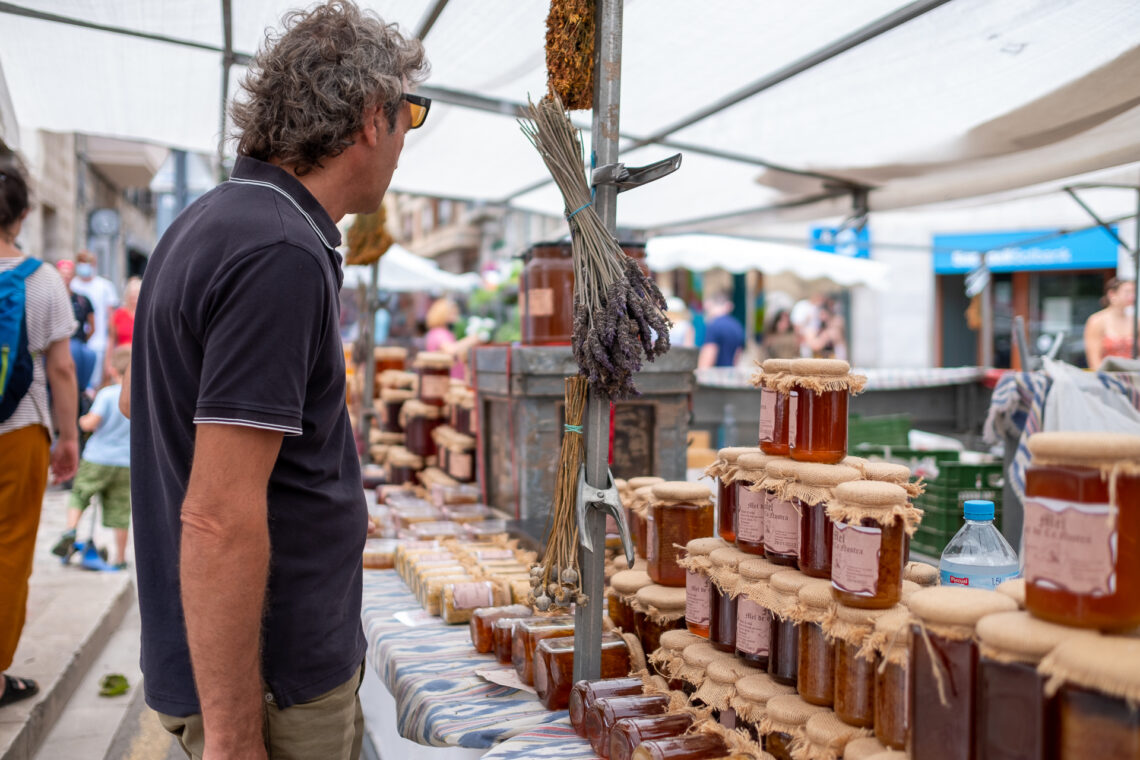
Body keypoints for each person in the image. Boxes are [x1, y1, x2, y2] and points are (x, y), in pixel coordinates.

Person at [130, 3, 427, 758]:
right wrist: (234, 740)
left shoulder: (214, 221)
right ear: (371, 118)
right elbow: (217, 518)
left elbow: (143, 403)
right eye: (410, 116)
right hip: (274, 684)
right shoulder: (279, 251)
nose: (404, 143)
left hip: (241, 668)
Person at [0, 158, 78, 708]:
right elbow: (62, 369)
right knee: (8, 552)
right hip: (19, 431)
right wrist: (69, 437)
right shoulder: (42, 279)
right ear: (23, 215)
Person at [51, 346, 132, 569]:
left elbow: (91, 423)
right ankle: (120, 558)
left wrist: (81, 421)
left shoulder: (107, 394)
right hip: (125, 463)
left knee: (80, 494)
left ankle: (70, 530)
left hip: (98, 458)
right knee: (120, 510)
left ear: (113, 370)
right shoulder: (138, 396)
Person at [69, 249, 118, 389]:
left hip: (98, 343)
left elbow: (111, 319)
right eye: (82, 262)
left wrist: (110, 347)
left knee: (97, 384)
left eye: (88, 262)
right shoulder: (72, 285)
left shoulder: (104, 286)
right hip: (77, 343)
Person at [1084, 277, 1136, 370]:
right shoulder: (1097, 321)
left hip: (1132, 377)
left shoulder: (1136, 322)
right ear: (1112, 294)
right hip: (1107, 378)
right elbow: (1094, 361)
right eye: (1127, 292)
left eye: (1133, 292)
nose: (1132, 296)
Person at [425, 297, 481, 380]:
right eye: (452, 312)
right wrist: (471, 339)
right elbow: (451, 350)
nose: (456, 313)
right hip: (446, 379)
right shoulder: (439, 332)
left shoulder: (440, 332)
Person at [698, 291, 745, 369]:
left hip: (714, 378)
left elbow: (707, 358)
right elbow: (737, 357)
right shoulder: (737, 325)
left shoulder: (714, 325)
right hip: (730, 375)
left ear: (709, 304)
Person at [109, 276, 141, 348]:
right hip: (123, 355)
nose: (133, 297)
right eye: (132, 294)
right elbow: (111, 339)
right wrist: (108, 358)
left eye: (136, 294)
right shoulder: (118, 314)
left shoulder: (146, 315)